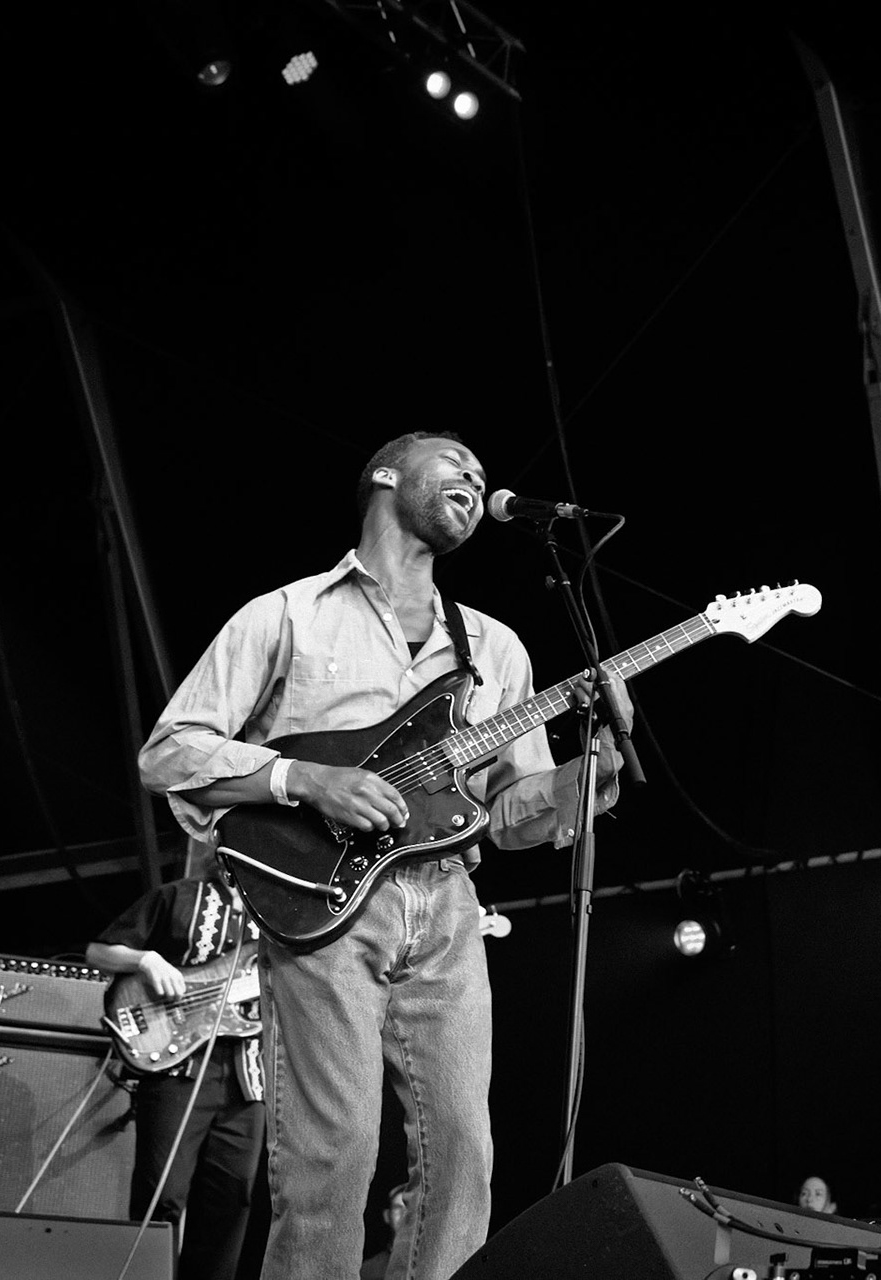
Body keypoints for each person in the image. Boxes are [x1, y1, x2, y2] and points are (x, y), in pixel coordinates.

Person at [138, 432, 625, 1280]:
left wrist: (592, 770)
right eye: (455, 462)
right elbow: (171, 752)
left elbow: (510, 814)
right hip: (322, 906)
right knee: (336, 1157)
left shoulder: (496, 649)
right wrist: (304, 779)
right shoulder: (286, 614)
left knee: (464, 1155)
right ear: (387, 477)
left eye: (482, 472)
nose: (477, 475)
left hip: (447, 904)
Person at [87, 870, 265, 1280]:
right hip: (176, 1069)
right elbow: (98, 952)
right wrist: (145, 959)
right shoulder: (179, 897)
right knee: (162, 1197)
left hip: (247, 1078)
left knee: (231, 1203)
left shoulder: (281, 915)